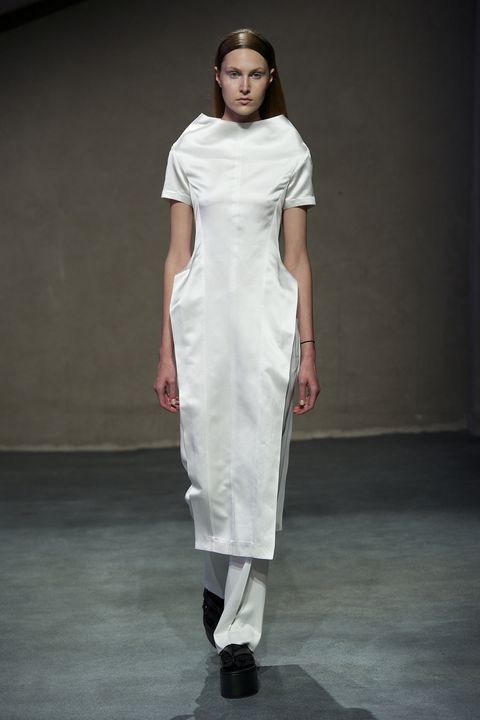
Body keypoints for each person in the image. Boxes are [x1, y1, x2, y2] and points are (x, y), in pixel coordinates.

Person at [153, 27, 321, 699]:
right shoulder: (190, 146)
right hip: (202, 329)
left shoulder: (289, 146)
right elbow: (178, 256)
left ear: (270, 77)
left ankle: (238, 638)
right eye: (233, 72)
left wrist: (308, 348)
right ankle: (216, 584)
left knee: (256, 473)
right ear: (217, 77)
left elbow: (296, 258)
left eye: (256, 73)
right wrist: (165, 347)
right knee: (210, 473)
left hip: (266, 329)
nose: (244, 84)